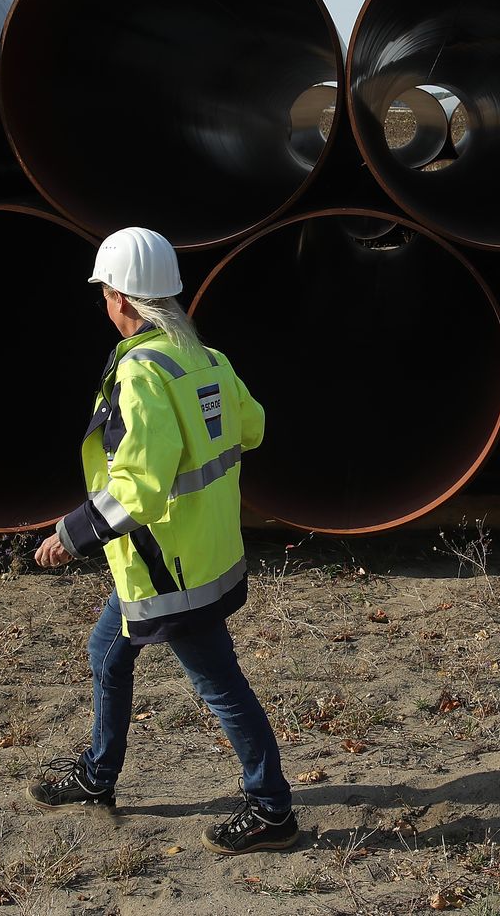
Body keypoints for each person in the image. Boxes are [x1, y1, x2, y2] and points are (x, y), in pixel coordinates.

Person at [25, 226, 297, 856]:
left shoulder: (143, 373)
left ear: (121, 298)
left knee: (220, 686)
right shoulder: (205, 357)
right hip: (191, 557)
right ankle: (99, 773)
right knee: (107, 656)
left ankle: (272, 807)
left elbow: (142, 486)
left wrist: (70, 534)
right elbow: (251, 427)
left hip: (166, 567)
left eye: (106, 294)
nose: (105, 305)